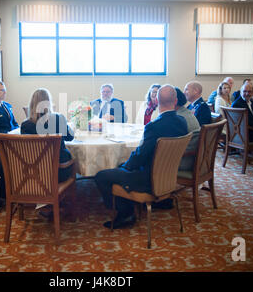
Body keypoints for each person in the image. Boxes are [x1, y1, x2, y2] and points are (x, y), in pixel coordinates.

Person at [94, 85, 188, 229]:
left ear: (156, 101)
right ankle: (160, 200)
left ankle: (126, 213)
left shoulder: (154, 126)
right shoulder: (182, 122)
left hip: (147, 179)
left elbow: (139, 157)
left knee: (102, 176)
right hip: (168, 176)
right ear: (175, 101)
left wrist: (124, 167)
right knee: (120, 167)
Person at [20, 88, 74, 183]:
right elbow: (70, 137)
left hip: (34, 173)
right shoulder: (58, 118)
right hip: (59, 172)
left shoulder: (25, 125)